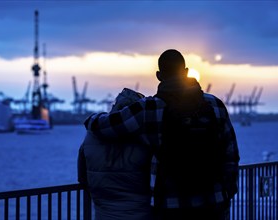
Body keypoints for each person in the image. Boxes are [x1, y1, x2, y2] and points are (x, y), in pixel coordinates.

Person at [84, 49, 240, 220]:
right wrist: (228, 190)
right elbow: (231, 153)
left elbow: (104, 126)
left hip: (171, 205)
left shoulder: (149, 108)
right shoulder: (215, 105)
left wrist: (93, 117)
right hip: (214, 202)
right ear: (186, 72)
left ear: (159, 75)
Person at [78, 88, 154, 220]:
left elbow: (82, 177)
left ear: (114, 106)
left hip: (103, 213)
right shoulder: (145, 136)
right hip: (140, 213)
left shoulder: (91, 134)